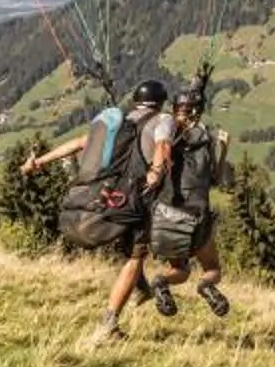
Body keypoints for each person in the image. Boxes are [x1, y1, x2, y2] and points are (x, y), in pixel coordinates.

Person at [22, 78, 175, 335]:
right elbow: (162, 145)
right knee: (136, 257)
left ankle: (141, 288)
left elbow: (80, 143)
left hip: (105, 197)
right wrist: (156, 174)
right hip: (133, 199)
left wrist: (38, 163)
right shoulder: (163, 120)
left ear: (136, 102)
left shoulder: (119, 125)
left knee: (131, 251)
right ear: (160, 103)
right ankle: (109, 324)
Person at [138, 83, 230, 317]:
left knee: (180, 268)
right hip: (196, 218)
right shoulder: (206, 136)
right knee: (212, 267)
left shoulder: (165, 133)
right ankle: (206, 285)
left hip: (164, 217)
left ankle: (160, 281)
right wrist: (224, 149)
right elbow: (216, 179)